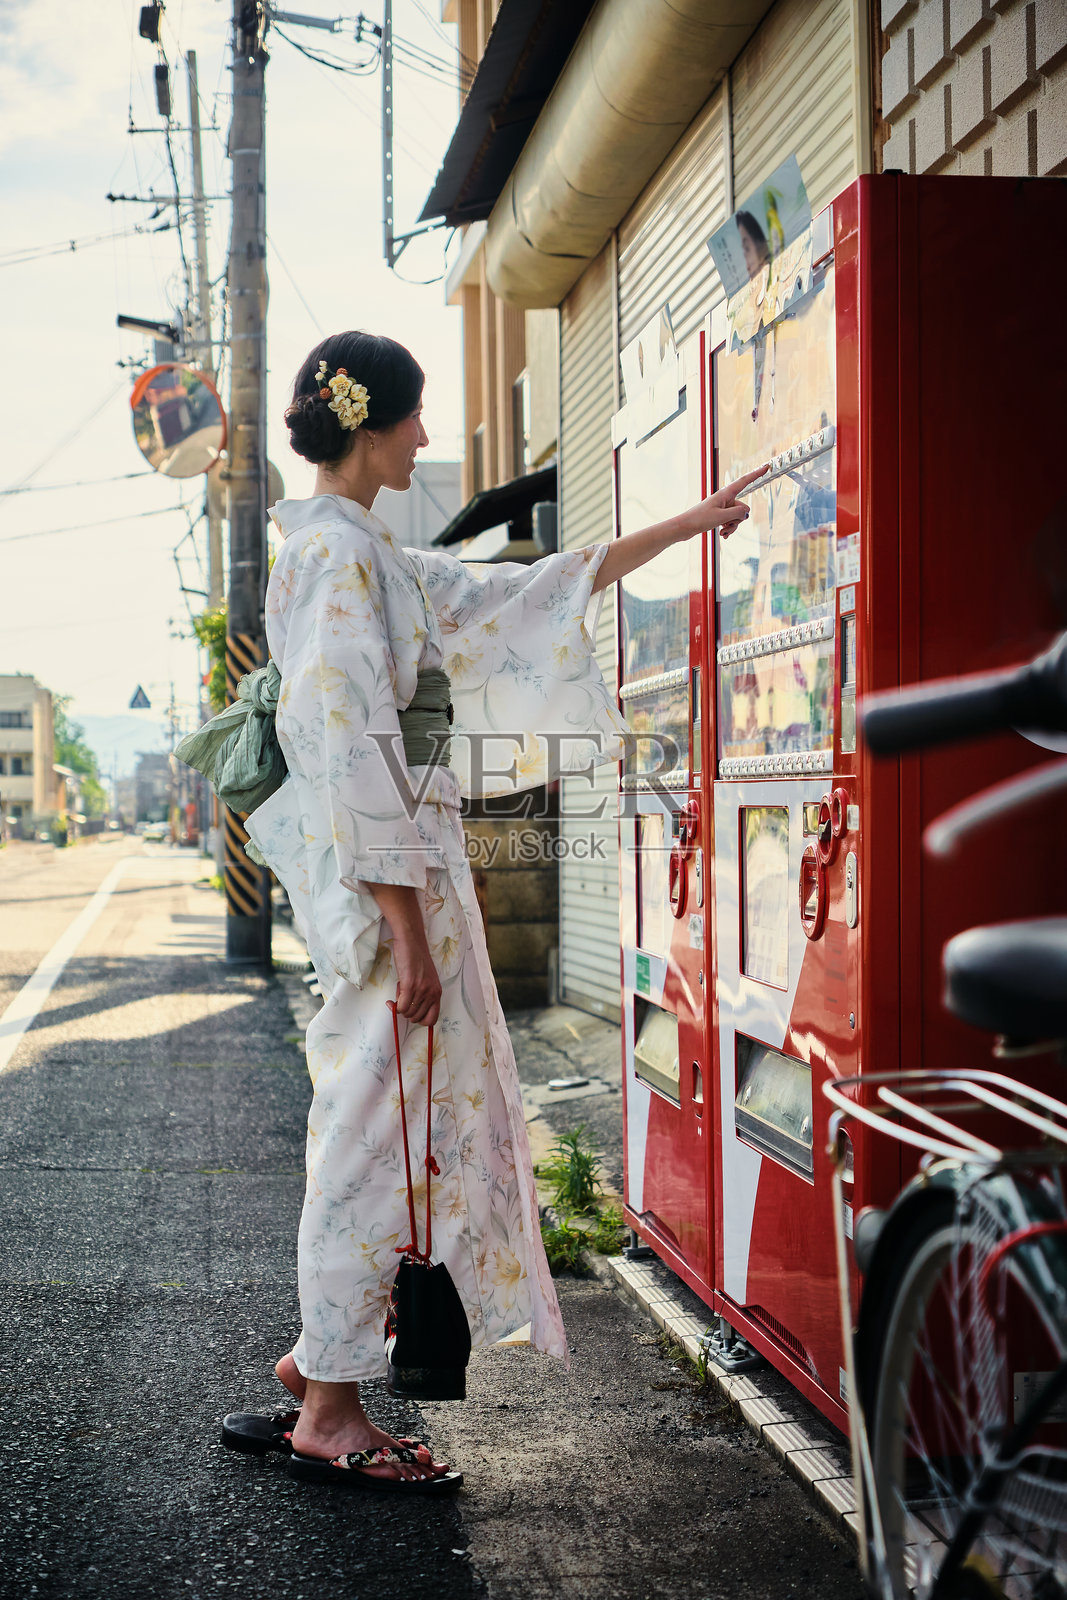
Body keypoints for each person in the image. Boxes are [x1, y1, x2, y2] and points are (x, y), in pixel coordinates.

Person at [236, 330, 762, 1493]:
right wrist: (409, 931)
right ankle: (328, 1406)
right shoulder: (339, 562)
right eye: (414, 418)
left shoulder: (360, 551)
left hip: (401, 884)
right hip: (389, 905)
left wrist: (682, 528)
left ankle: (318, 1363)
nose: (426, 439)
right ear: (368, 426)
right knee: (377, 1140)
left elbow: (515, 591)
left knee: (385, 1130)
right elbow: (350, 750)